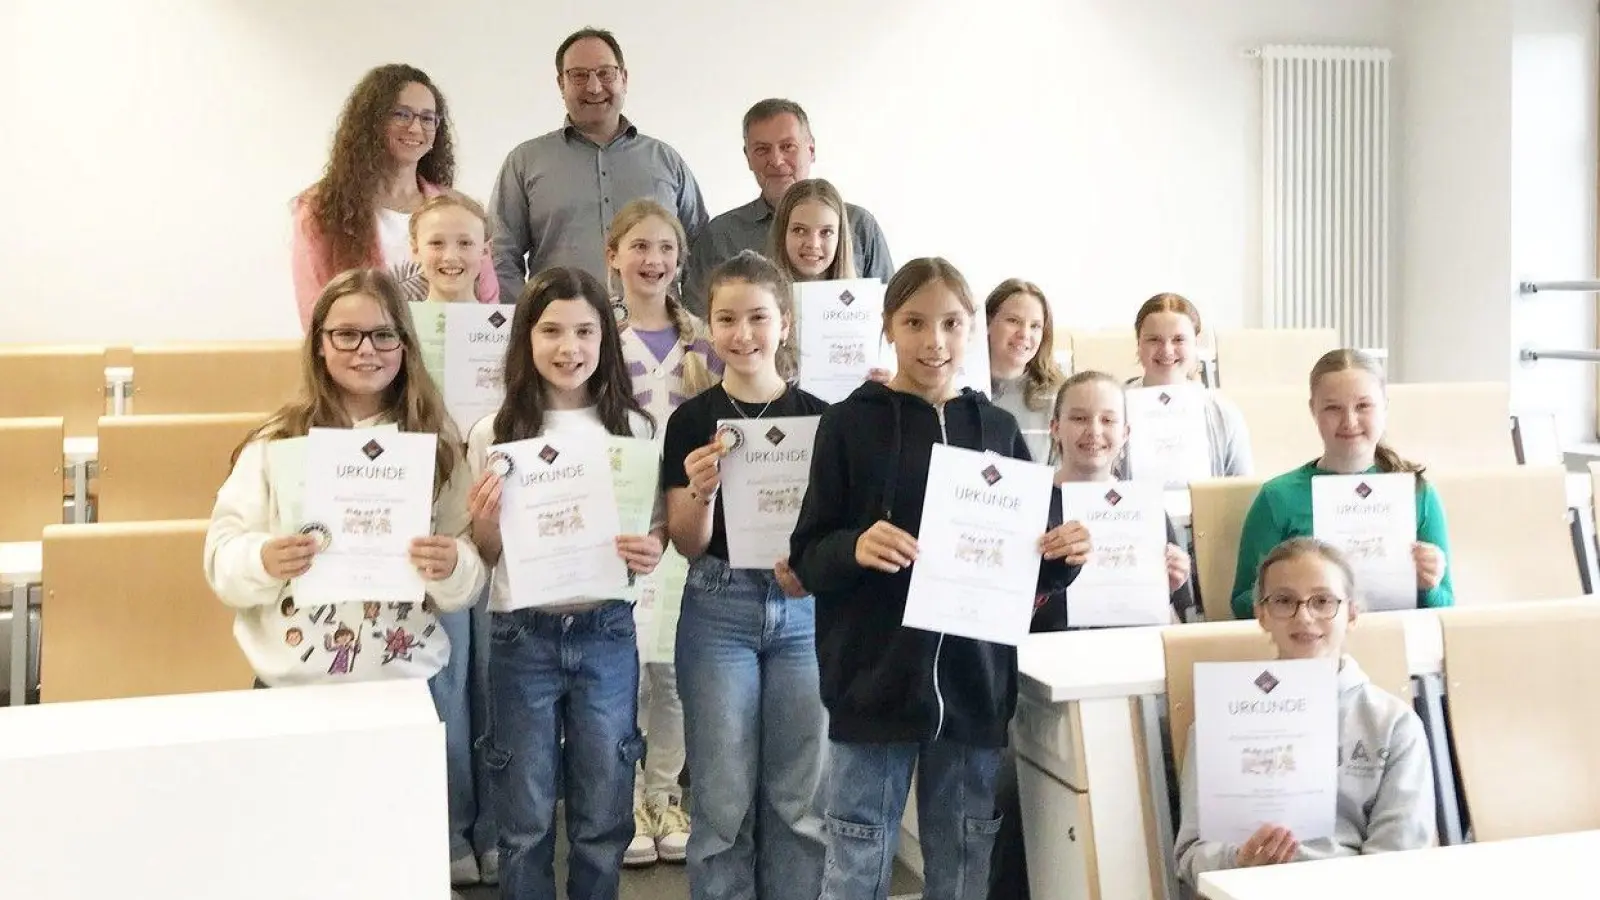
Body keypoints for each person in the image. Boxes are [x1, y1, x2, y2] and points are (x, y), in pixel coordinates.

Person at [789, 257, 1089, 900]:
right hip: (872, 687)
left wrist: (1065, 554)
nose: (935, 342)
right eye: (915, 323)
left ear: (971, 328)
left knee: (960, 871)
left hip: (973, 689)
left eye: (951, 323)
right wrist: (855, 546)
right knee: (855, 865)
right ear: (888, 327)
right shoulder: (848, 425)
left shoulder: (1001, 431)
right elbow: (809, 556)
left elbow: (1037, 566)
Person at [203, 268, 489, 900]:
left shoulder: (436, 450)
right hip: (294, 687)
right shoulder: (276, 443)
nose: (367, 351)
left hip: (405, 689)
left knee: (398, 862)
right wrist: (264, 558)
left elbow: (467, 572)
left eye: (384, 336)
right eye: (349, 335)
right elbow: (221, 555)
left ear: (406, 347)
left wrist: (451, 568)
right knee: (301, 858)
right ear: (320, 344)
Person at [465, 266, 666, 900]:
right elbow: (486, 553)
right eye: (550, 330)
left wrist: (650, 548)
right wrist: (486, 520)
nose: (567, 347)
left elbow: (654, 535)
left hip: (606, 629)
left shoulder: (632, 431)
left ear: (605, 338)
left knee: (603, 812)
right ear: (525, 338)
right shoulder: (493, 434)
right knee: (523, 817)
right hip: (522, 634)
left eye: (584, 331)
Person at [663, 250, 831, 900]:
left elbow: (831, 532)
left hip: (802, 610)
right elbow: (686, 543)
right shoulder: (692, 420)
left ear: (783, 323)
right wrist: (702, 491)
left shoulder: (823, 419)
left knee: (799, 801)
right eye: (726, 318)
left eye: (757, 317)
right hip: (718, 608)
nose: (743, 333)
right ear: (708, 326)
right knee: (722, 801)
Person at [988, 369, 1192, 900]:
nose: (1093, 431)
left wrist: (1175, 582)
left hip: (1123, 679)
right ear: (1054, 426)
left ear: (1125, 433)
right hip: (1037, 684)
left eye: (1107, 420)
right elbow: (1002, 608)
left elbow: (1176, 620)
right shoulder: (1025, 503)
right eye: (1078, 417)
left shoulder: (1148, 510)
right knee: (1015, 807)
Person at [1174, 537, 1437, 884]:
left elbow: (1400, 856)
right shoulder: (1220, 720)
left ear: (1352, 613)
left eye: (1323, 601)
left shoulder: (1393, 723)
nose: (1304, 616)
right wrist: (1237, 861)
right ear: (1262, 614)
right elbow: (1191, 855)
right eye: (1284, 601)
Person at [603, 198, 722, 866]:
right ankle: (624, 800)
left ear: (681, 260)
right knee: (625, 672)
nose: (653, 260)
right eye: (639, 246)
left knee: (671, 671)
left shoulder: (704, 339)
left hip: (682, 517)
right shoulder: (596, 337)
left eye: (666, 249)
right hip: (621, 521)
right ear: (613, 255)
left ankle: (664, 794)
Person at [1230, 349, 1453, 618]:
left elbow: (1446, 608)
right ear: (1313, 410)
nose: (1349, 421)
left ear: (1385, 407)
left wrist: (1428, 585)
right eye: (1333, 408)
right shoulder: (1277, 497)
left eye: (1363, 406)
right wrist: (1289, 595)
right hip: (1309, 642)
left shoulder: (1418, 493)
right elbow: (1242, 603)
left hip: (1396, 641)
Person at [489, 27, 708, 302]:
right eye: (579, 75)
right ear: (561, 84)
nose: (594, 87)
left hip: (656, 337)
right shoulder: (525, 162)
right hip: (563, 335)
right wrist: (526, 318)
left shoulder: (665, 160)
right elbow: (500, 253)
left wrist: (686, 319)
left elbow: (700, 247)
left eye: (605, 73)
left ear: (624, 78)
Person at [290, 65, 496, 329]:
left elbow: (488, 302)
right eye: (402, 114)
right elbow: (314, 313)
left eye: (427, 118)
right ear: (371, 121)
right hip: (365, 362)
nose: (415, 127)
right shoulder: (320, 208)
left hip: (450, 362)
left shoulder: (457, 207)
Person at [682, 99, 893, 315]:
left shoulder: (859, 225)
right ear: (748, 157)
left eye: (788, 147)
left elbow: (891, 314)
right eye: (762, 149)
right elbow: (697, 323)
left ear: (811, 150)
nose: (776, 160)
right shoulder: (720, 235)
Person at [1122, 292, 1250, 480]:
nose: (1166, 350)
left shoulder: (1223, 413)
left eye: (1179, 339)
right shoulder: (1111, 408)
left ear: (1195, 344)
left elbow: (1241, 490)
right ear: (1138, 344)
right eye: (1154, 339)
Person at [986, 279, 1066, 464]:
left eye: (1035, 326)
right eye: (1013, 321)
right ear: (988, 323)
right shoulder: (956, 391)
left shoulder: (1058, 398)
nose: (1024, 334)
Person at [394, 191, 495, 304]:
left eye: (465, 243)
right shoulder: (398, 321)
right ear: (415, 250)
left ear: (486, 251)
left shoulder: (508, 321)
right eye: (436, 243)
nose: (450, 256)